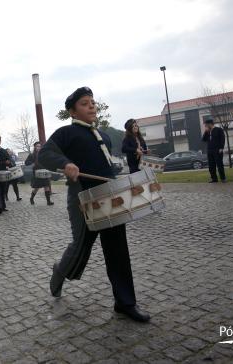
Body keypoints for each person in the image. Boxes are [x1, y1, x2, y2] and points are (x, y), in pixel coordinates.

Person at [38, 86, 150, 322]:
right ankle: (60, 271)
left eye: (92, 102)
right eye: (84, 103)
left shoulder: (105, 136)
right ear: (72, 111)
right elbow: (45, 155)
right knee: (80, 248)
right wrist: (65, 163)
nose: (91, 106)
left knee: (118, 250)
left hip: (109, 198)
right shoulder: (65, 133)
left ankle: (125, 302)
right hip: (82, 199)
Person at [201, 119, 226, 183]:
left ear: (210, 124)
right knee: (211, 166)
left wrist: (221, 148)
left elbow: (222, 138)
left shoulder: (219, 130)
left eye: (206, 124)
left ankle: (223, 178)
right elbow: (203, 140)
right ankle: (214, 179)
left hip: (217, 150)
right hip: (210, 150)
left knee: (219, 165)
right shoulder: (208, 131)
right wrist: (206, 132)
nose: (205, 126)